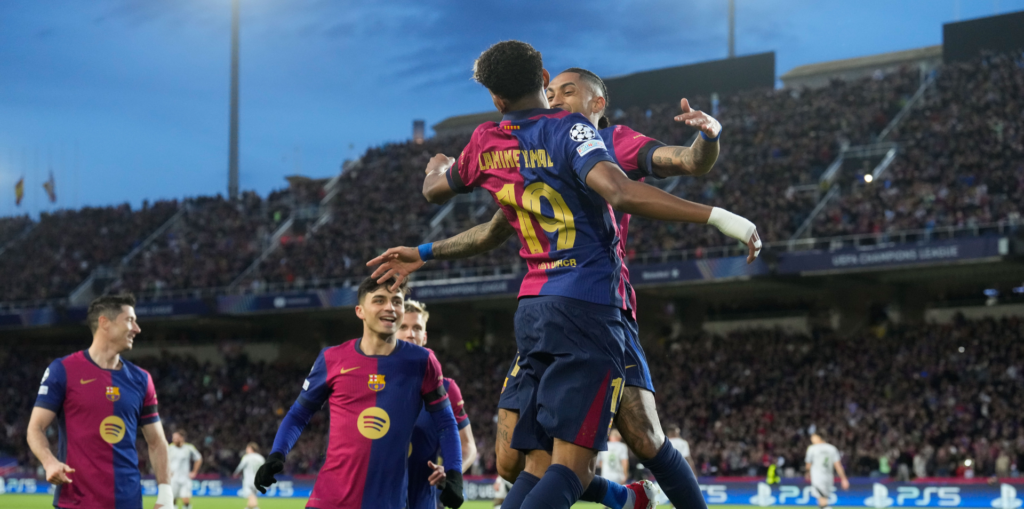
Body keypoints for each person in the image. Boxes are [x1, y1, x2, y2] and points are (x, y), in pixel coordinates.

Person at [369, 64, 751, 509]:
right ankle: (623, 498)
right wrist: (427, 251)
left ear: (597, 103)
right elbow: (493, 230)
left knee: (641, 439)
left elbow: (687, 161)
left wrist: (709, 137)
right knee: (512, 460)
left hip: (600, 305)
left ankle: (630, 499)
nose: (556, 99)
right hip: (550, 309)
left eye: (569, 92)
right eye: (551, 92)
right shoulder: (534, 145)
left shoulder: (612, 142)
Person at [253, 277, 465, 509]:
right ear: (360, 311)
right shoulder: (332, 358)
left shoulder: (423, 361)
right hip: (329, 501)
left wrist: (455, 474)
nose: (390, 307)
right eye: (379, 300)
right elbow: (298, 414)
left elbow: (446, 422)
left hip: (388, 503)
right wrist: (277, 454)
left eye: (396, 301)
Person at [27, 293, 174, 509]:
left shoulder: (142, 380)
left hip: (128, 502)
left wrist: (166, 494)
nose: (137, 329)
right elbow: (35, 428)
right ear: (104, 322)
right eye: (130, 320)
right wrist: (49, 462)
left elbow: (157, 441)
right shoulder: (63, 370)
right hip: (76, 502)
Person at [400, 299, 479, 509]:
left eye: (417, 328)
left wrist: (452, 471)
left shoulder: (446, 388)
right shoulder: (374, 382)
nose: (410, 334)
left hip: (422, 501)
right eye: (403, 327)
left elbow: (468, 446)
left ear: (424, 337)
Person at [805, 433, 850, 509]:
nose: (811, 439)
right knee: (823, 498)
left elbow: (808, 464)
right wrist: (844, 479)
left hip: (817, 477)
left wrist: (807, 473)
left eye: (813, 437)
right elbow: (838, 465)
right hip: (829, 477)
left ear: (819, 437)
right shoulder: (832, 448)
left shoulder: (812, 448)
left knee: (823, 501)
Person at [168, 431, 202, 509]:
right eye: (173, 438)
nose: (174, 440)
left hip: (185, 478)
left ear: (182, 438)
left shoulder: (189, 448)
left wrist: (194, 472)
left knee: (185, 499)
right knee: (172, 499)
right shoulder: (169, 448)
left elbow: (199, 458)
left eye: (176, 438)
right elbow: (163, 461)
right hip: (173, 478)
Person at [234, 442, 266, 509]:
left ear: (250, 448)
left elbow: (240, 467)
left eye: (247, 448)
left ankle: (256, 507)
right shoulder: (261, 458)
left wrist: (235, 473)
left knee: (251, 497)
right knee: (252, 497)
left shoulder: (247, 457)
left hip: (248, 481)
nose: (246, 449)